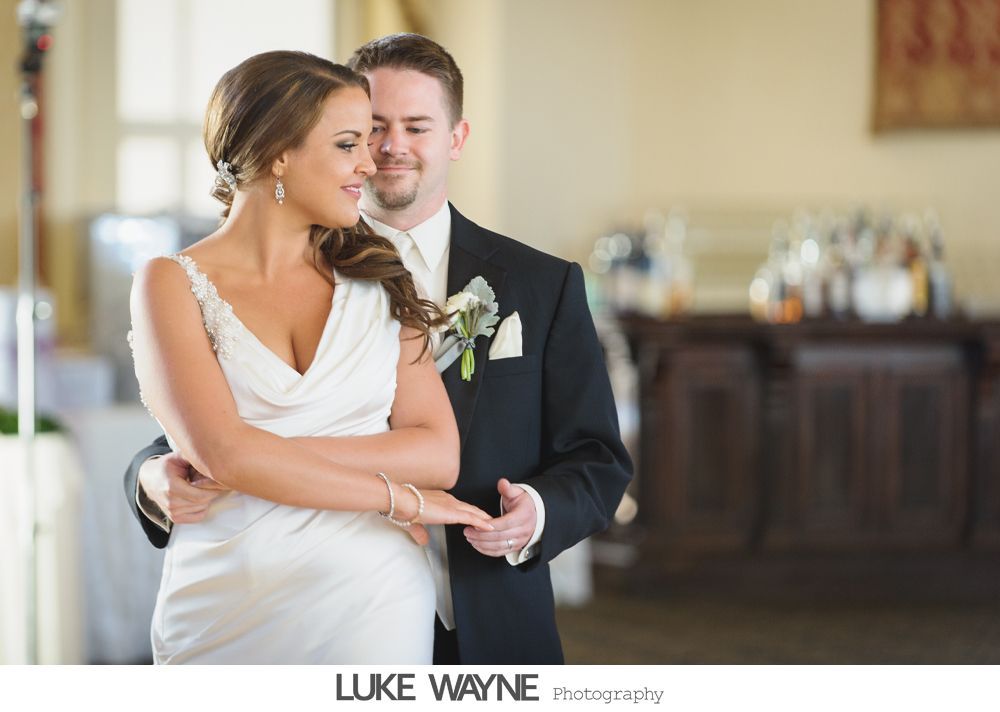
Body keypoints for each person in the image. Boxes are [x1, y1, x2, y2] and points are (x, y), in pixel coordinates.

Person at [125, 34, 633, 664]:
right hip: (254, 590)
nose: (383, 151)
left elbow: (596, 456)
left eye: (415, 126)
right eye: (365, 133)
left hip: (472, 606)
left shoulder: (541, 283)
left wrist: (535, 511)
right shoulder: (190, 281)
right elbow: (201, 436)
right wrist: (157, 473)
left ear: (456, 137)